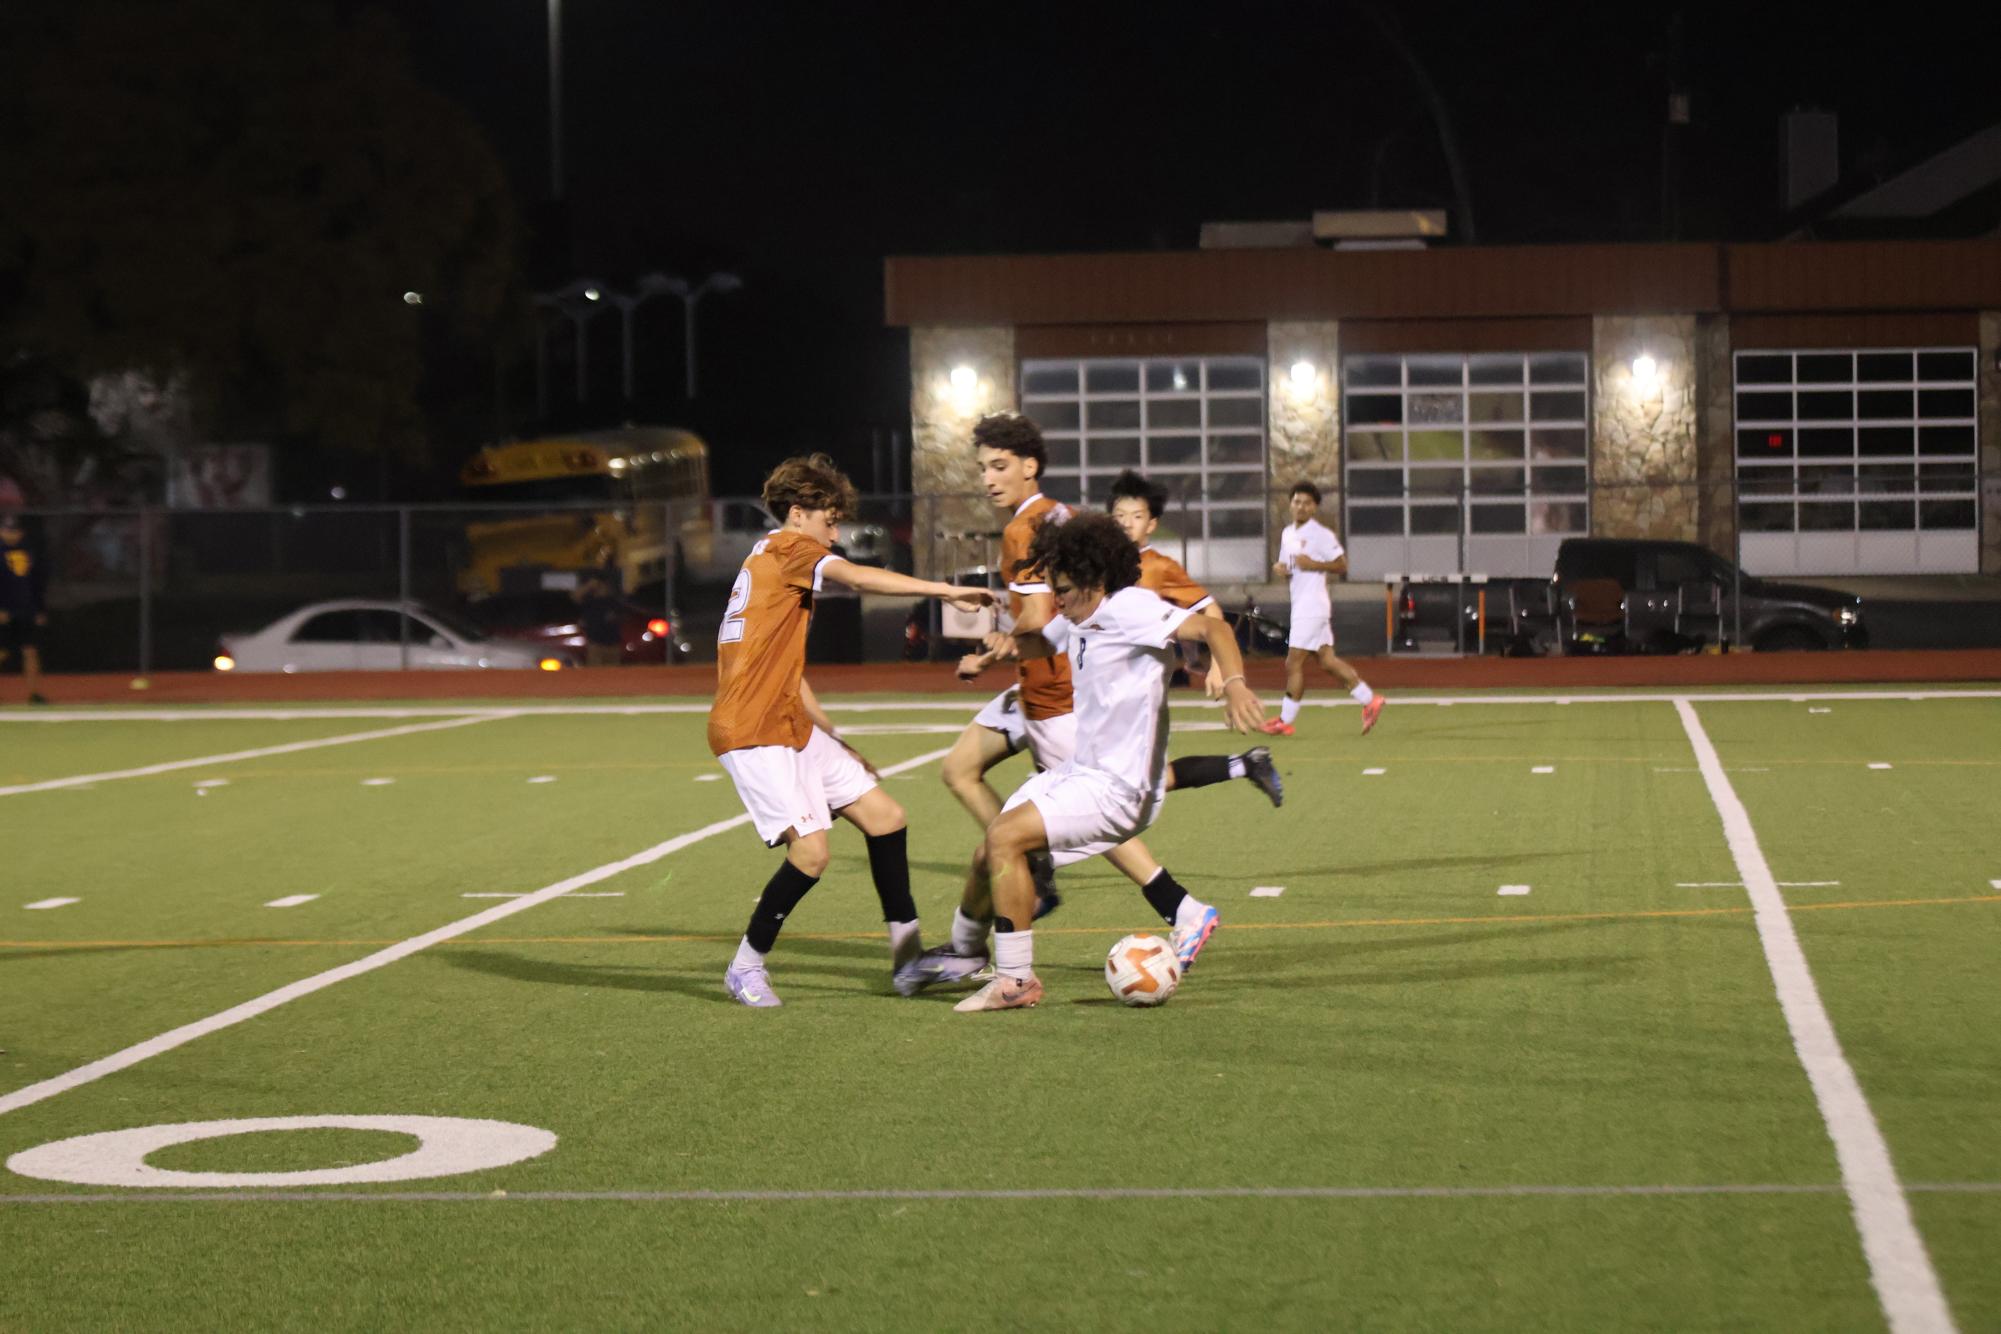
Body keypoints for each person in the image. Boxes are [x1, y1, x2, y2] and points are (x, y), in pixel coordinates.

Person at [949, 513, 1268, 1012]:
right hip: (1081, 772)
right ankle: (963, 952)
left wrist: (1234, 683)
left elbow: (1213, 627)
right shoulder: (1078, 612)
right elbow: (1039, 642)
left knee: (1004, 837)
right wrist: (999, 646)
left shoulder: (1130, 607)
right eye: (1053, 588)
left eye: (1066, 589)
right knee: (990, 850)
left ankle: (1014, 980)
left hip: (1119, 789)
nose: (1058, 599)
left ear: (1097, 581)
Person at [710, 453, 992, 1008]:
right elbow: (859, 576)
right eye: (829, 519)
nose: (834, 532)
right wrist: (945, 591)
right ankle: (745, 967)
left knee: (886, 818)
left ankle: (908, 963)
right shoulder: (792, 549)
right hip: (753, 730)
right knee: (812, 854)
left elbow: (781, 666)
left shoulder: (767, 557)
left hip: (786, 719)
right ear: (798, 514)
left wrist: (831, 735)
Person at [935, 412, 1074, 919]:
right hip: (1053, 679)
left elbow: (1037, 616)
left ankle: (1179, 904)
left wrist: (995, 645)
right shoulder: (1063, 514)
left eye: (999, 466)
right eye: (982, 468)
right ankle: (1035, 868)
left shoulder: (1022, 528)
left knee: (1103, 820)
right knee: (959, 769)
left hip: (1054, 689)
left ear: (1030, 465)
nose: (988, 479)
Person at [1106, 468, 1281, 804]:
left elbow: (1211, 612)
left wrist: (1218, 667)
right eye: (1119, 515)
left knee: (1133, 787)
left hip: (1139, 686)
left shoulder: (1159, 566)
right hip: (1107, 680)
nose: (1127, 523)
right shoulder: (1101, 564)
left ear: (1152, 524)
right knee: (1137, 782)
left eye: (1137, 516)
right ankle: (1247, 764)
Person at [1266, 481, 1381, 737]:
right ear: (1290, 504)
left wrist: (1314, 564)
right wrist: (1282, 569)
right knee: (1327, 661)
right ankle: (1370, 700)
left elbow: (1342, 565)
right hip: (1303, 605)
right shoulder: (1287, 533)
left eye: (1307, 503)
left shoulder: (1322, 534)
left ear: (1315, 507)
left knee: (1292, 663)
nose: (1301, 507)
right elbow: (1290, 566)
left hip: (1312, 607)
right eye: (1297, 502)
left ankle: (1285, 720)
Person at [0, 497, 49, 706]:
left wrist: (39, 609)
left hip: (26, 609)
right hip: (4, 610)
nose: (11, 535)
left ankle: (33, 693)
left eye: (14, 531)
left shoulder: (30, 549)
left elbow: (37, 582)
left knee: (30, 650)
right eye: (7, 530)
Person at [575, 572, 625, 668]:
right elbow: (575, 596)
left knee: (613, 674)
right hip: (595, 644)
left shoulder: (614, 601)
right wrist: (589, 586)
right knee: (595, 673)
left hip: (613, 644)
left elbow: (622, 616)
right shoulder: (589, 601)